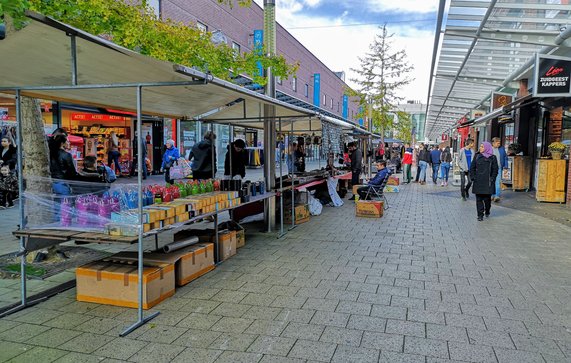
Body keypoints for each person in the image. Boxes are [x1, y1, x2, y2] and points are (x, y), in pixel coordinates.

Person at [470, 142, 499, 221]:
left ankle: (487, 211)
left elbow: (495, 170)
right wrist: (473, 177)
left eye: (482, 147)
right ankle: (480, 215)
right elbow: (472, 167)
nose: (480, 148)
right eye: (480, 146)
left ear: (487, 148)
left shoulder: (493, 158)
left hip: (488, 182)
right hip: (478, 181)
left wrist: (492, 178)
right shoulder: (477, 156)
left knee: (487, 199)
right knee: (478, 199)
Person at [491, 137, 509, 202]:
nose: (499, 144)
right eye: (497, 143)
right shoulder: (489, 149)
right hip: (490, 169)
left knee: (497, 182)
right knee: (491, 182)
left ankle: (497, 196)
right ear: (493, 143)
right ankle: (492, 195)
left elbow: (505, 158)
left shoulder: (502, 149)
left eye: (499, 143)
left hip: (498, 168)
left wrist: (506, 167)